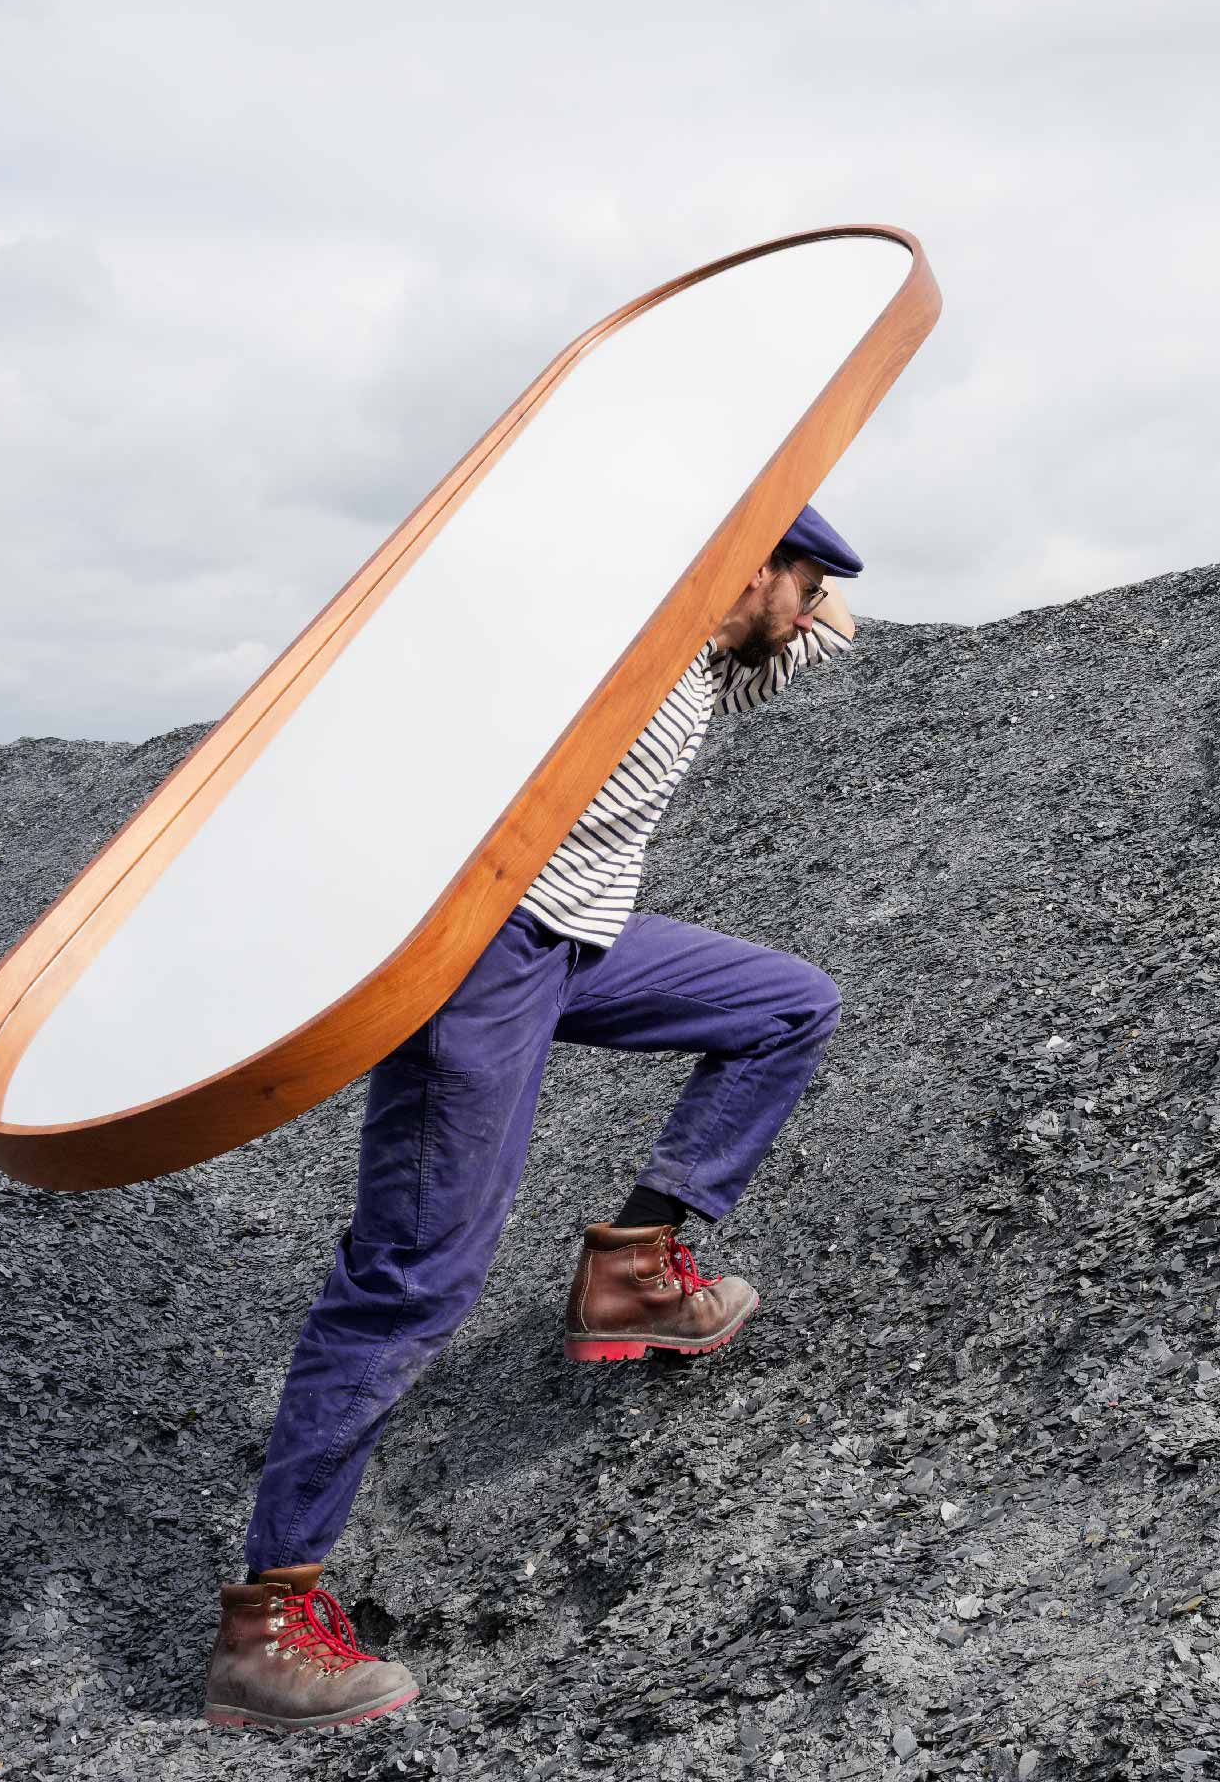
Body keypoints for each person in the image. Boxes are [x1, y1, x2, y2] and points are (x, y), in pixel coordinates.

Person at [202, 504, 865, 1732]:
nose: (819, 607)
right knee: (412, 1277)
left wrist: (788, 583)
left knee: (787, 1006)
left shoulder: (711, 666)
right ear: (757, 563)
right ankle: (266, 1619)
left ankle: (630, 1269)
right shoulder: (606, 662)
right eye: (809, 579)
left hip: (582, 942)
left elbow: (802, 635)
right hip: (480, 954)